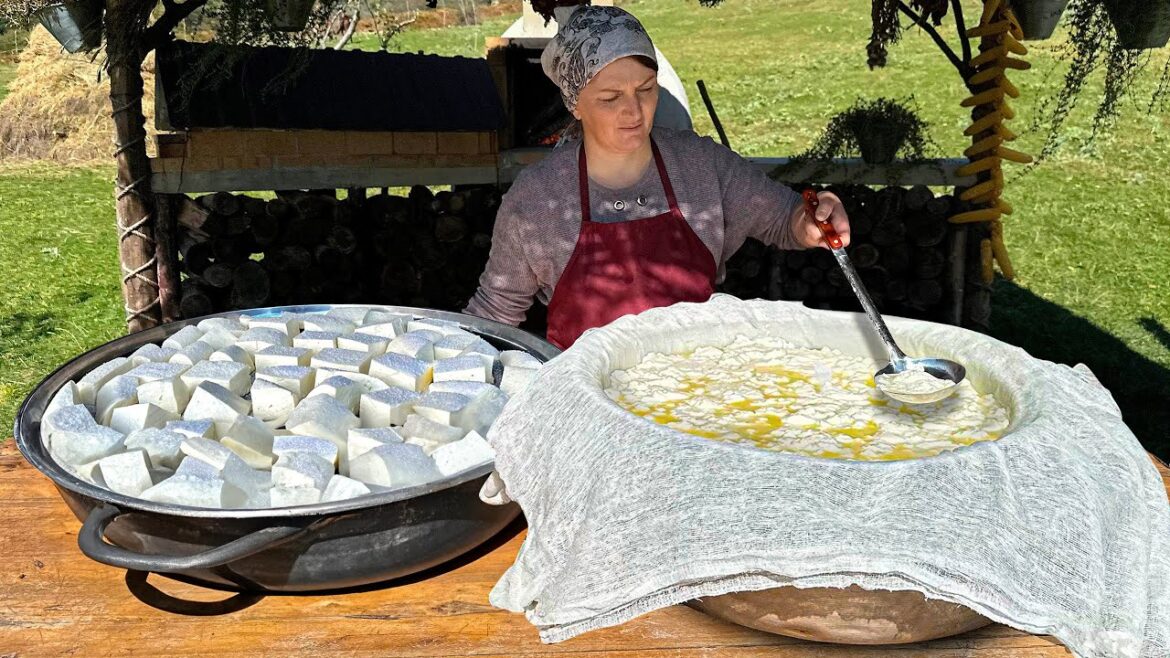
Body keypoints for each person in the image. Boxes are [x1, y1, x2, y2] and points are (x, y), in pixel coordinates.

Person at [464, 4, 850, 349]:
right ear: (574, 105)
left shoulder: (701, 165)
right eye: (610, 98)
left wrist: (811, 221)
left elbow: (785, 218)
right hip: (588, 405)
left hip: (692, 391)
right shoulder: (538, 199)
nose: (633, 111)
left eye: (646, 90)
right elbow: (497, 308)